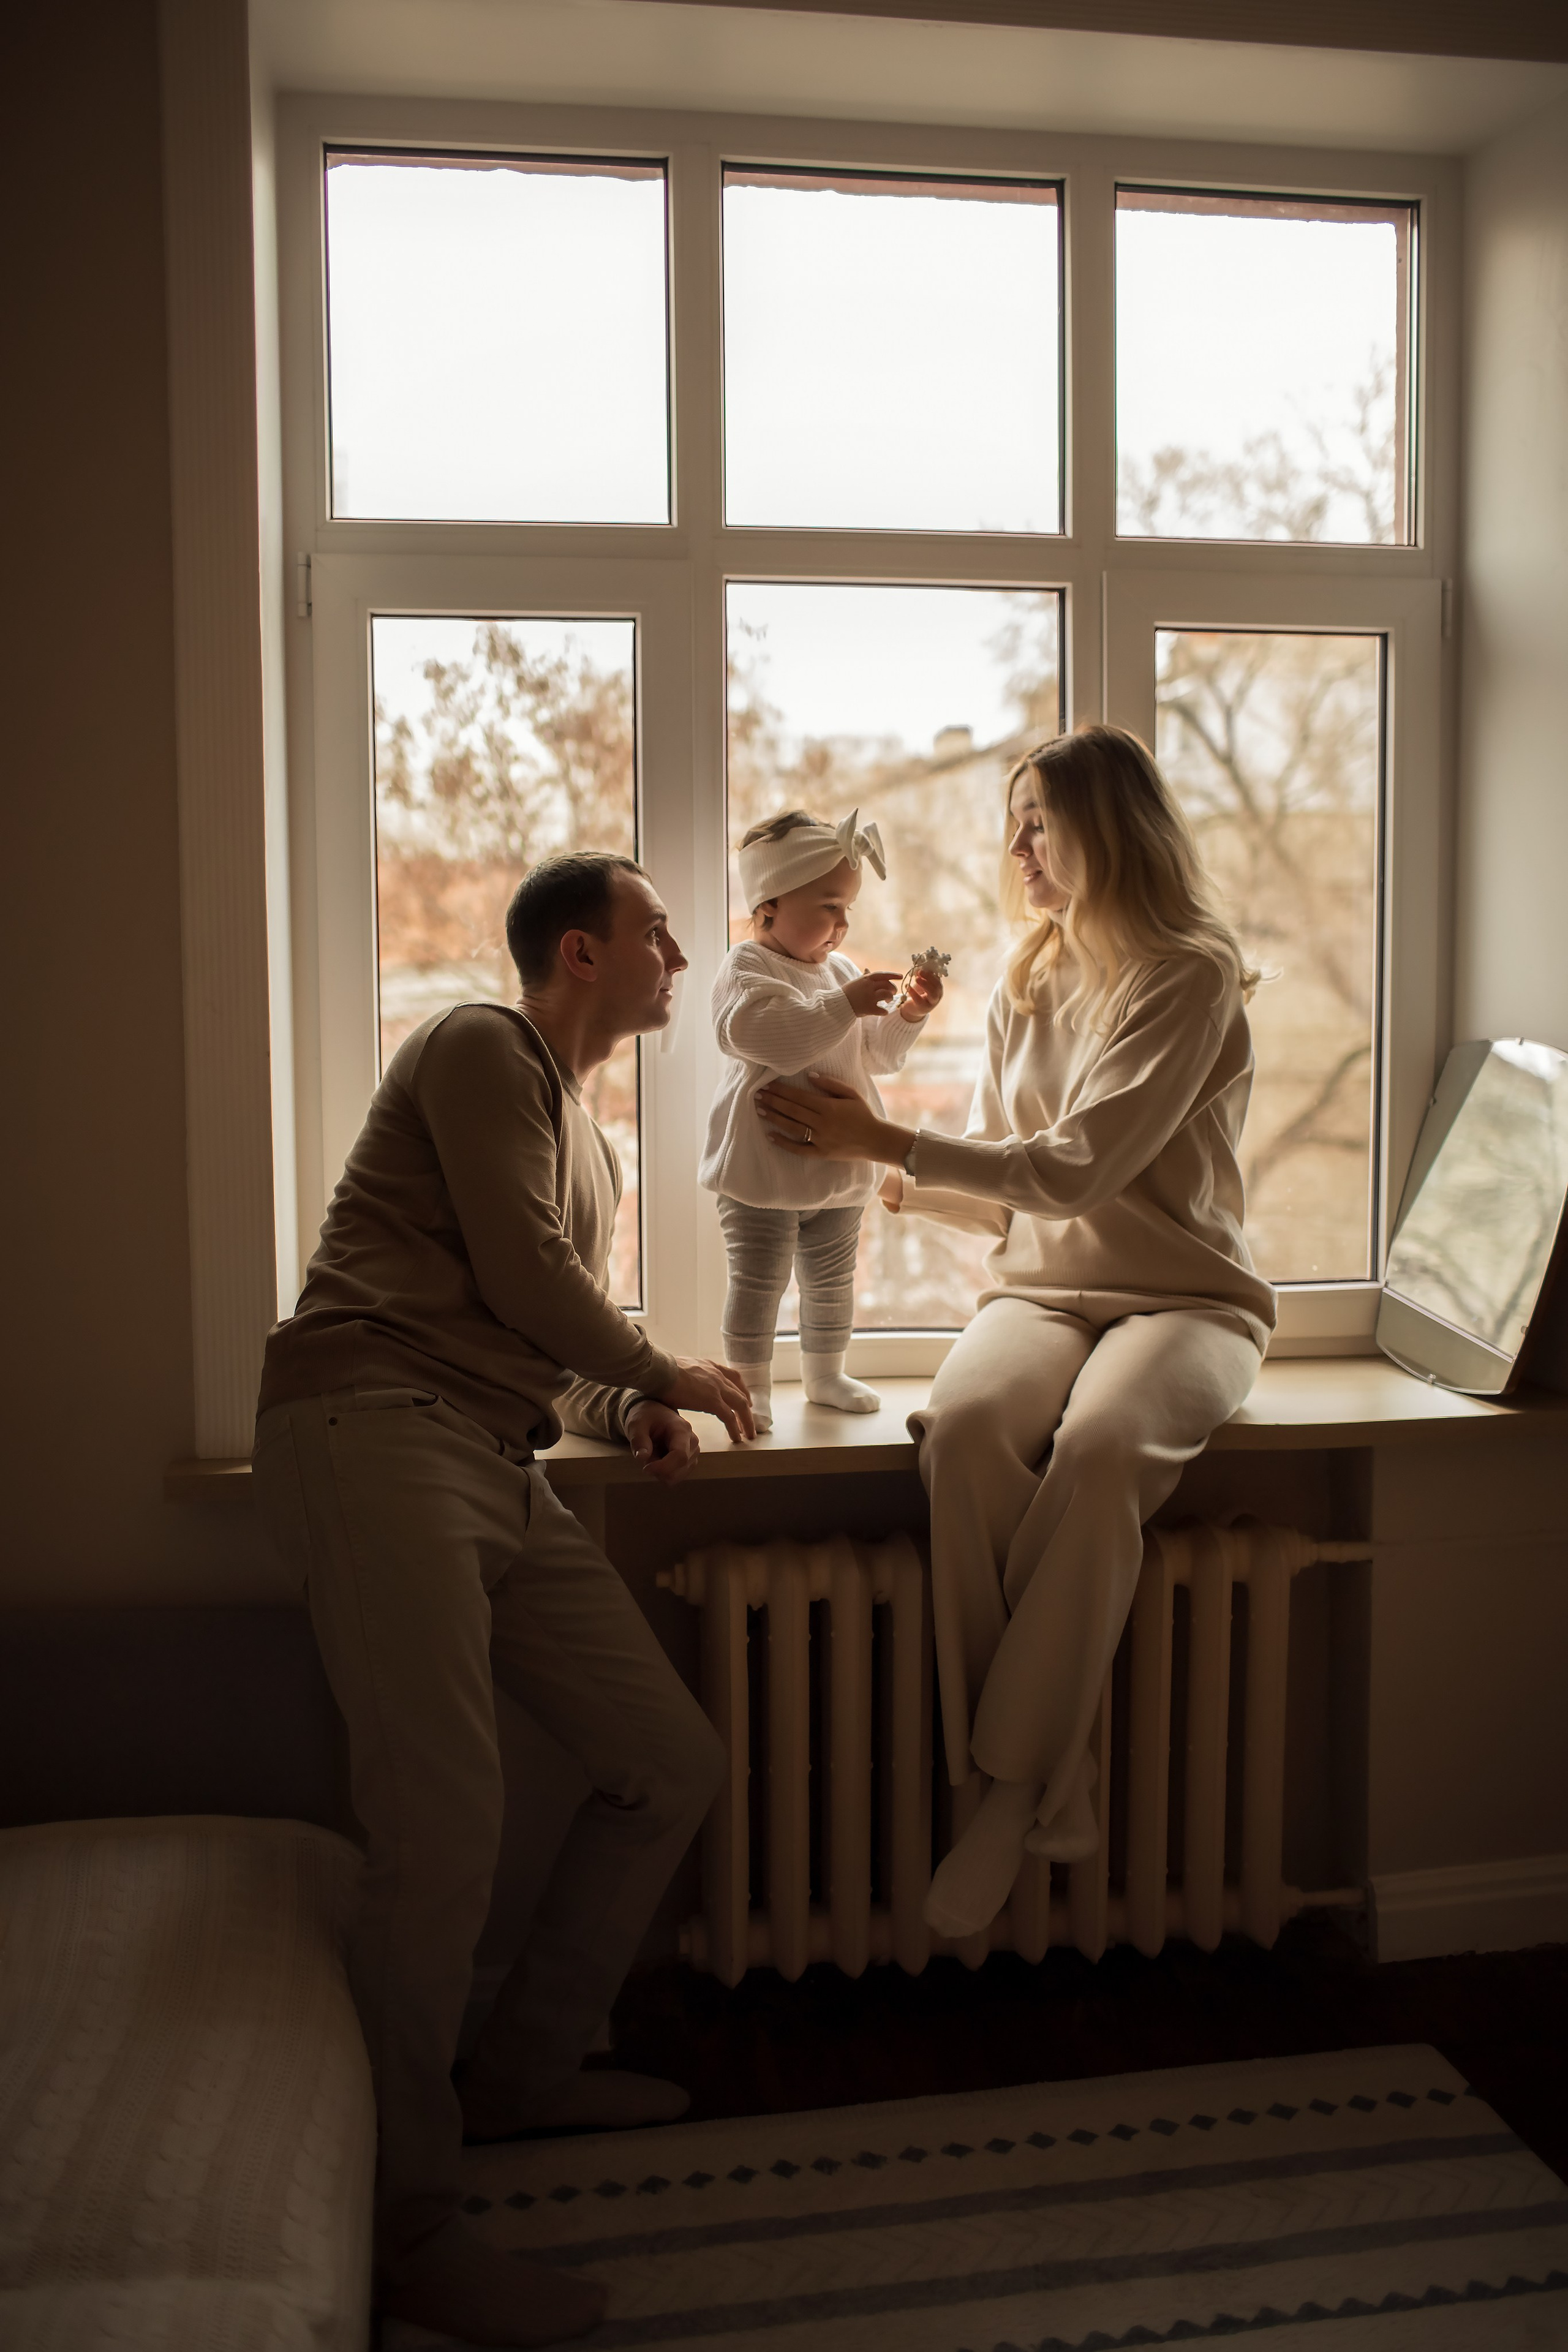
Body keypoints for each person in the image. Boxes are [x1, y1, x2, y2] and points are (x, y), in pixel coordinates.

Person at [252, 852, 754, 2350]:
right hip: (370, 1424)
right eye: (659, 929)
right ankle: (408, 2229)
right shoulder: (481, 1043)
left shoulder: (581, 1131)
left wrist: (622, 1410)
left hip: (484, 1449)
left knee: (669, 1758)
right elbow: (524, 1275)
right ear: (582, 953)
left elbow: (533, 1330)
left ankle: (523, 2072)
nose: (682, 950)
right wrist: (667, 1370)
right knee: (439, 1826)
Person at [756, 724, 1275, 1942]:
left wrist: (882, 1143)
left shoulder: (1189, 972)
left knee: (1097, 1453)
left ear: (1111, 824)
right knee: (966, 1432)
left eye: (1036, 817)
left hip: (1186, 1298)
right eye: (1012, 820)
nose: (1014, 845)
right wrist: (876, 1171)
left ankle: (999, 1787)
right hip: (1040, 1292)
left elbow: (1079, 1166)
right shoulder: (1030, 973)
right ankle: (1053, 1768)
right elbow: (1007, 1196)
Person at [701, 806, 943, 1430]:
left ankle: (825, 1372)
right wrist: (844, 1004)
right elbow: (772, 1039)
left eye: (847, 912)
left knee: (832, 1281)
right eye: (829, 907)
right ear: (770, 905)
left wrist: (908, 1015)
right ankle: (749, 1385)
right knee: (759, 1284)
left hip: (837, 1171)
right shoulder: (745, 967)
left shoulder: (838, 973)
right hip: (762, 1170)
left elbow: (878, 1057)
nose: (841, 925)